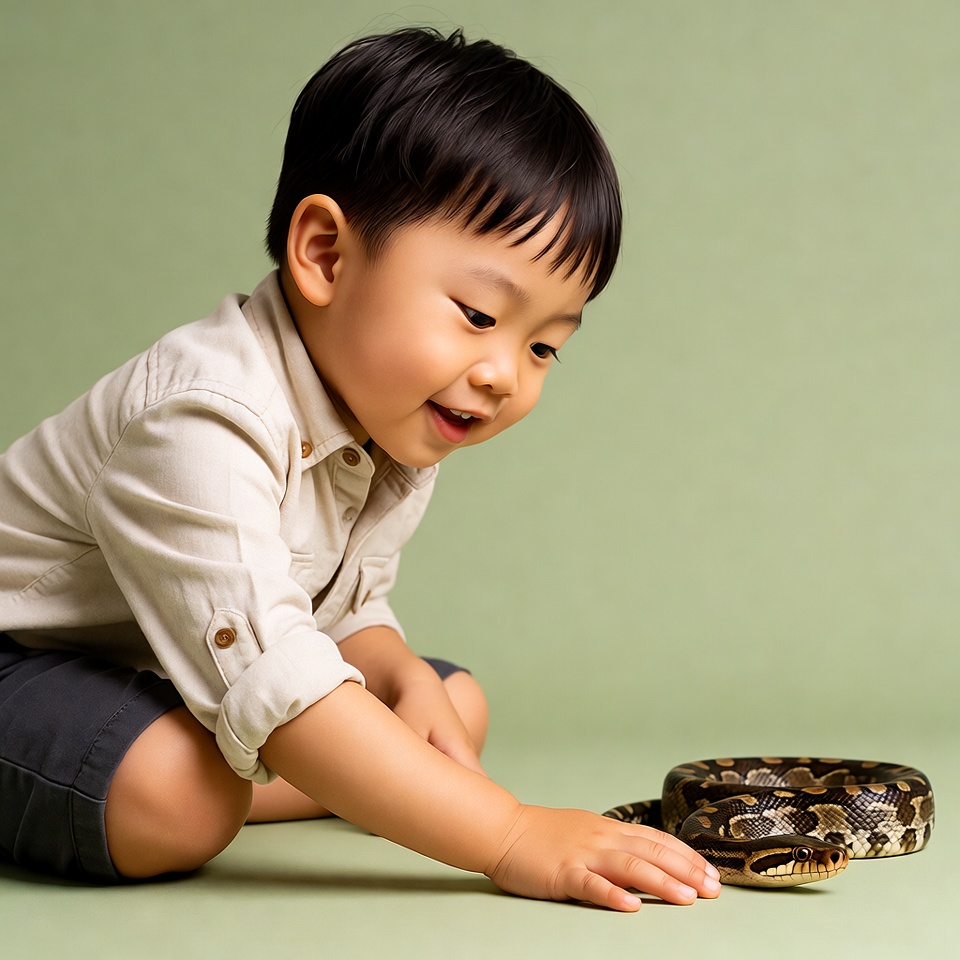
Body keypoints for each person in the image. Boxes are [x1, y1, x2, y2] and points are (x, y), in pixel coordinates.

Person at [0, 27, 720, 911]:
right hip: (23, 658)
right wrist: (508, 832)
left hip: (158, 667)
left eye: (543, 347)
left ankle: (311, 768)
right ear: (326, 255)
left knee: (450, 703)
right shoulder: (202, 418)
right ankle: (269, 777)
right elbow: (280, 668)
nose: (504, 374)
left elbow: (336, 606)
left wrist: (397, 668)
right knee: (180, 799)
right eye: (478, 314)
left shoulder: (390, 417)